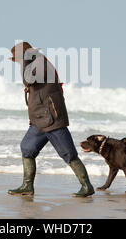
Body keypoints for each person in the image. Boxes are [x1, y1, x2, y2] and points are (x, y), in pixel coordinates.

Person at [7, 41, 94, 197]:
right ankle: (27, 186)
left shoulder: (39, 63)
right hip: (39, 119)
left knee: (68, 153)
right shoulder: (35, 63)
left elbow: (28, 80)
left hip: (52, 119)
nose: (18, 62)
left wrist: (25, 59)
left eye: (18, 59)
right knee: (27, 148)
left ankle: (87, 186)